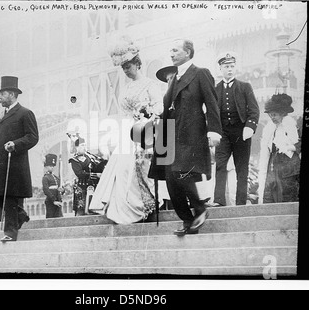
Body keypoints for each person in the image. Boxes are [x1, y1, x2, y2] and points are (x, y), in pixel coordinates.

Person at [89, 36, 168, 224]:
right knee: (123, 170)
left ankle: (147, 206)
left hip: (146, 132)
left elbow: (159, 106)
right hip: (128, 133)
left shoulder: (150, 85)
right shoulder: (125, 90)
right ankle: (125, 207)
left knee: (142, 167)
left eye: (128, 66)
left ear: (137, 64)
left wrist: (147, 114)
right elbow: (123, 114)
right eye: (123, 67)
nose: (126, 70)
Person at [152, 38, 222, 236]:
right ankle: (188, 220)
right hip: (169, 134)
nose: (171, 54)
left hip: (191, 133)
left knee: (181, 173)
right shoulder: (173, 78)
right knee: (170, 179)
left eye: (175, 50)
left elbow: (212, 103)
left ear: (188, 53)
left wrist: (214, 130)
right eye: (170, 50)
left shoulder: (201, 73)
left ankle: (200, 209)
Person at [0, 76, 39, 242]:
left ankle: (10, 232)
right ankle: (21, 215)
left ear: (11, 94)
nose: (0, 98)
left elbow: (33, 137)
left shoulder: (25, 113)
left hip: (15, 164)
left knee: (9, 197)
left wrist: (15, 144)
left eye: (2, 94)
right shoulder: (0, 116)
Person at [211, 52, 260, 207]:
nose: (229, 69)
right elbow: (211, 113)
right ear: (220, 68)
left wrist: (250, 127)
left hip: (241, 132)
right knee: (220, 165)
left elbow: (254, 110)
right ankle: (218, 200)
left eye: (232, 66)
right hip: (223, 133)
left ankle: (240, 202)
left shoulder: (245, 87)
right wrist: (212, 131)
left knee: (242, 168)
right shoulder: (215, 89)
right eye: (226, 67)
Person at [257, 93, 300, 204]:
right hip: (273, 168)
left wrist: (289, 147)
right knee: (268, 195)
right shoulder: (270, 129)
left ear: (282, 114)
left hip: (289, 168)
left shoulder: (291, 126)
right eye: (271, 115)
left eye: (275, 115)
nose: (272, 118)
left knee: (288, 196)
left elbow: (298, 144)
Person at [69, 137, 105, 216]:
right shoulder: (74, 160)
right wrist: (96, 175)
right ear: (77, 147)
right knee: (81, 210)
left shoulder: (90, 157)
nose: (84, 147)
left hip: (92, 186)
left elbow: (96, 167)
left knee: (93, 210)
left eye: (85, 145)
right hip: (82, 188)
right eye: (82, 145)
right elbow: (80, 173)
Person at [42, 154, 64, 218]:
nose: (52, 167)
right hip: (50, 202)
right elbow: (46, 190)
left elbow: (61, 188)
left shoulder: (57, 178)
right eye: (50, 166)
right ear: (46, 167)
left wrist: (62, 190)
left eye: (53, 166)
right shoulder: (45, 178)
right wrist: (54, 200)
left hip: (58, 202)